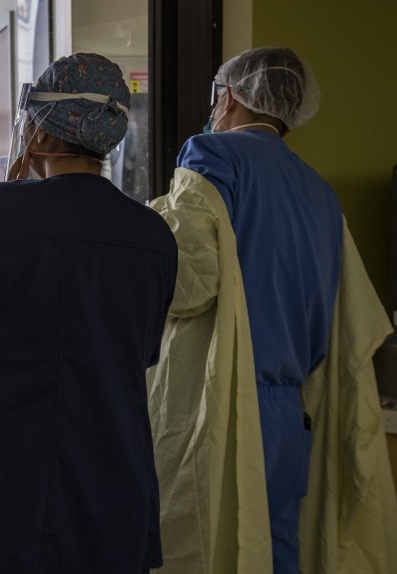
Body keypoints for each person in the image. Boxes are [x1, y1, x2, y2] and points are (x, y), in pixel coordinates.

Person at [0, 53, 177, 574]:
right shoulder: (152, 233)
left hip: (12, 503)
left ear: (38, 134)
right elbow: (144, 350)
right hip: (113, 494)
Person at [147, 46, 397, 573]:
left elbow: (190, 282)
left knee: (209, 548)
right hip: (290, 414)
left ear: (230, 94)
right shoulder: (319, 192)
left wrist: (151, 230)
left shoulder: (213, 153)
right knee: (272, 549)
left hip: (222, 399)